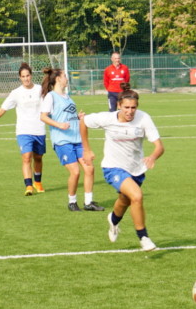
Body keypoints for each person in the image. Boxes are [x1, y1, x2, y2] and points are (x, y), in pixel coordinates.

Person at [80, 90, 164, 251]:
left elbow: (159, 147)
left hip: (136, 169)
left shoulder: (144, 118)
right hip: (113, 167)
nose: (130, 111)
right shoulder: (107, 118)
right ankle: (144, 237)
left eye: (133, 108)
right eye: (126, 107)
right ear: (118, 106)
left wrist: (153, 157)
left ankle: (113, 219)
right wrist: (87, 149)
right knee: (137, 196)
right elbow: (83, 122)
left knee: (125, 200)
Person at [38, 67, 106, 212]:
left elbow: (67, 115)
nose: (67, 79)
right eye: (65, 76)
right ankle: (72, 202)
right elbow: (43, 116)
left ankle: (88, 202)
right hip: (62, 141)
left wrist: (78, 117)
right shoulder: (51, 96)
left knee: (89, 168)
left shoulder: (67, 97)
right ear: (58, 79)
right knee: (75, 172)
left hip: (77, 139)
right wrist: (59, 125)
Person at [0, 63, 46, 196]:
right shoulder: (16, 93)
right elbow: (3, 108)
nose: (26, 79)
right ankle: (28, 186)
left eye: (28, 76)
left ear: (31, 75)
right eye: (23, 76)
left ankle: (38, 182)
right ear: (20, 78)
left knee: (38, 158)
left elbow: (51, 105)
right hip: (23, 130)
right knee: (26, 157)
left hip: (39, 129)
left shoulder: (40, 90)